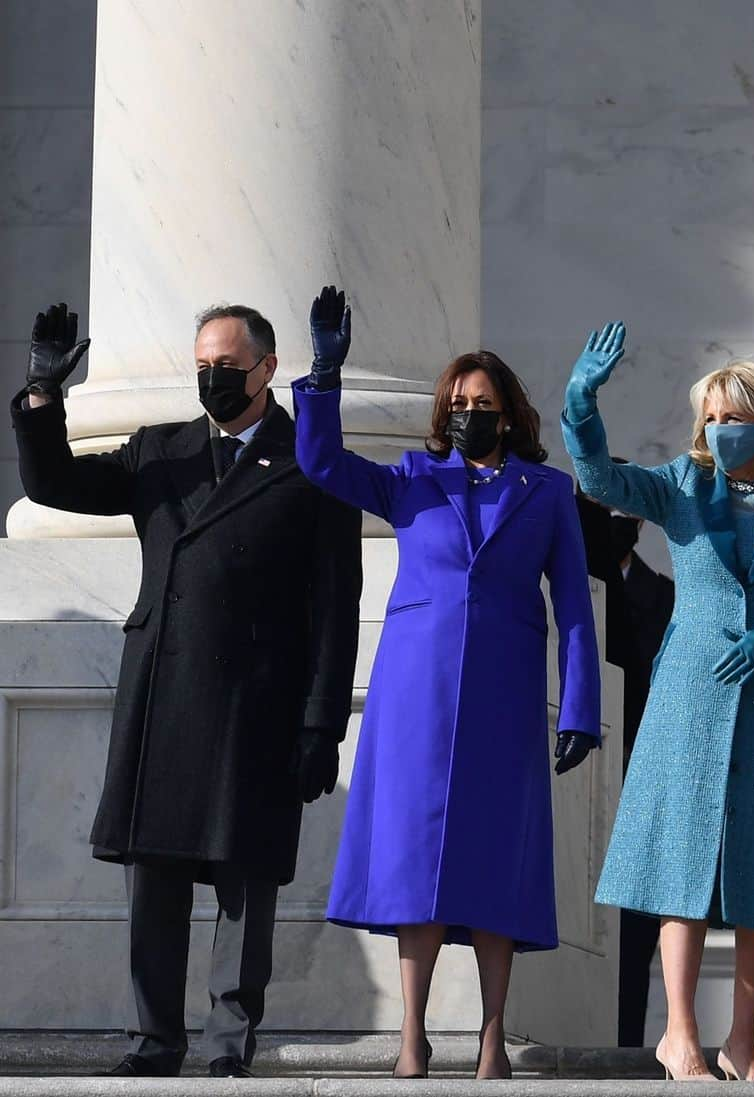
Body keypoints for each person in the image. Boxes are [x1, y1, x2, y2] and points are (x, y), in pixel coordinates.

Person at [11, 302, 362, 1078]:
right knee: (156, 878)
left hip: (257, 704)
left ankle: (228, 1044)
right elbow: (53, 483)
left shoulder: (312, 462)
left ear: (267, 369)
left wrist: (321, 724)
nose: (212, 379)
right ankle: (154, 1039)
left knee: (246, 880)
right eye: (202, 365)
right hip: (164, 693)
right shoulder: (158, 451)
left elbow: (335, 607)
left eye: (228, 367)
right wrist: (42, 394)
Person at [291, 286, 602, 1081]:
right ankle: (413, 1033)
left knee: (498, 861)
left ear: (509, 410)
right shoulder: (411, 478)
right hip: (415, 696)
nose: (470, 411)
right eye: (459, 401)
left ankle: (494, 1036)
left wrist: (581, 708)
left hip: (503, 695)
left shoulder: (549, 492)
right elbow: (320, 461)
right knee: (416, 862)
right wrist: (324, 374)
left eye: (484, 401)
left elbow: (572, 605)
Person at [562, 322, 754, 1082]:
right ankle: (680, 1032)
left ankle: (743, 1039)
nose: (720, 430)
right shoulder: (684, 485)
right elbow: (600, 481)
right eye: (711, 417)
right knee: (679, 858)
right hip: (692, 689)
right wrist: (580, 404)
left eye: (734, 416)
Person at [575, 476, 675, 1047]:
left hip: (642, 764)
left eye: (618, 513)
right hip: (585, 759)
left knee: (635, 923)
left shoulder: (663, 596)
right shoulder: (569, 587)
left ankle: (628, 1043)